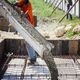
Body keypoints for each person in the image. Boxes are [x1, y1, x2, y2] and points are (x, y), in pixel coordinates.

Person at [14, 0, 37, 65]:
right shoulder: (22, 2)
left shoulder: (29, 5)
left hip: (29, 26)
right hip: (25, 25)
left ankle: (32, 59)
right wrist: (15, 5)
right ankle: (33, 57)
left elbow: (26, 14)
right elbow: (17, 3)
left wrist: (22, 14)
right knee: (29, 43)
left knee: (28, 43)